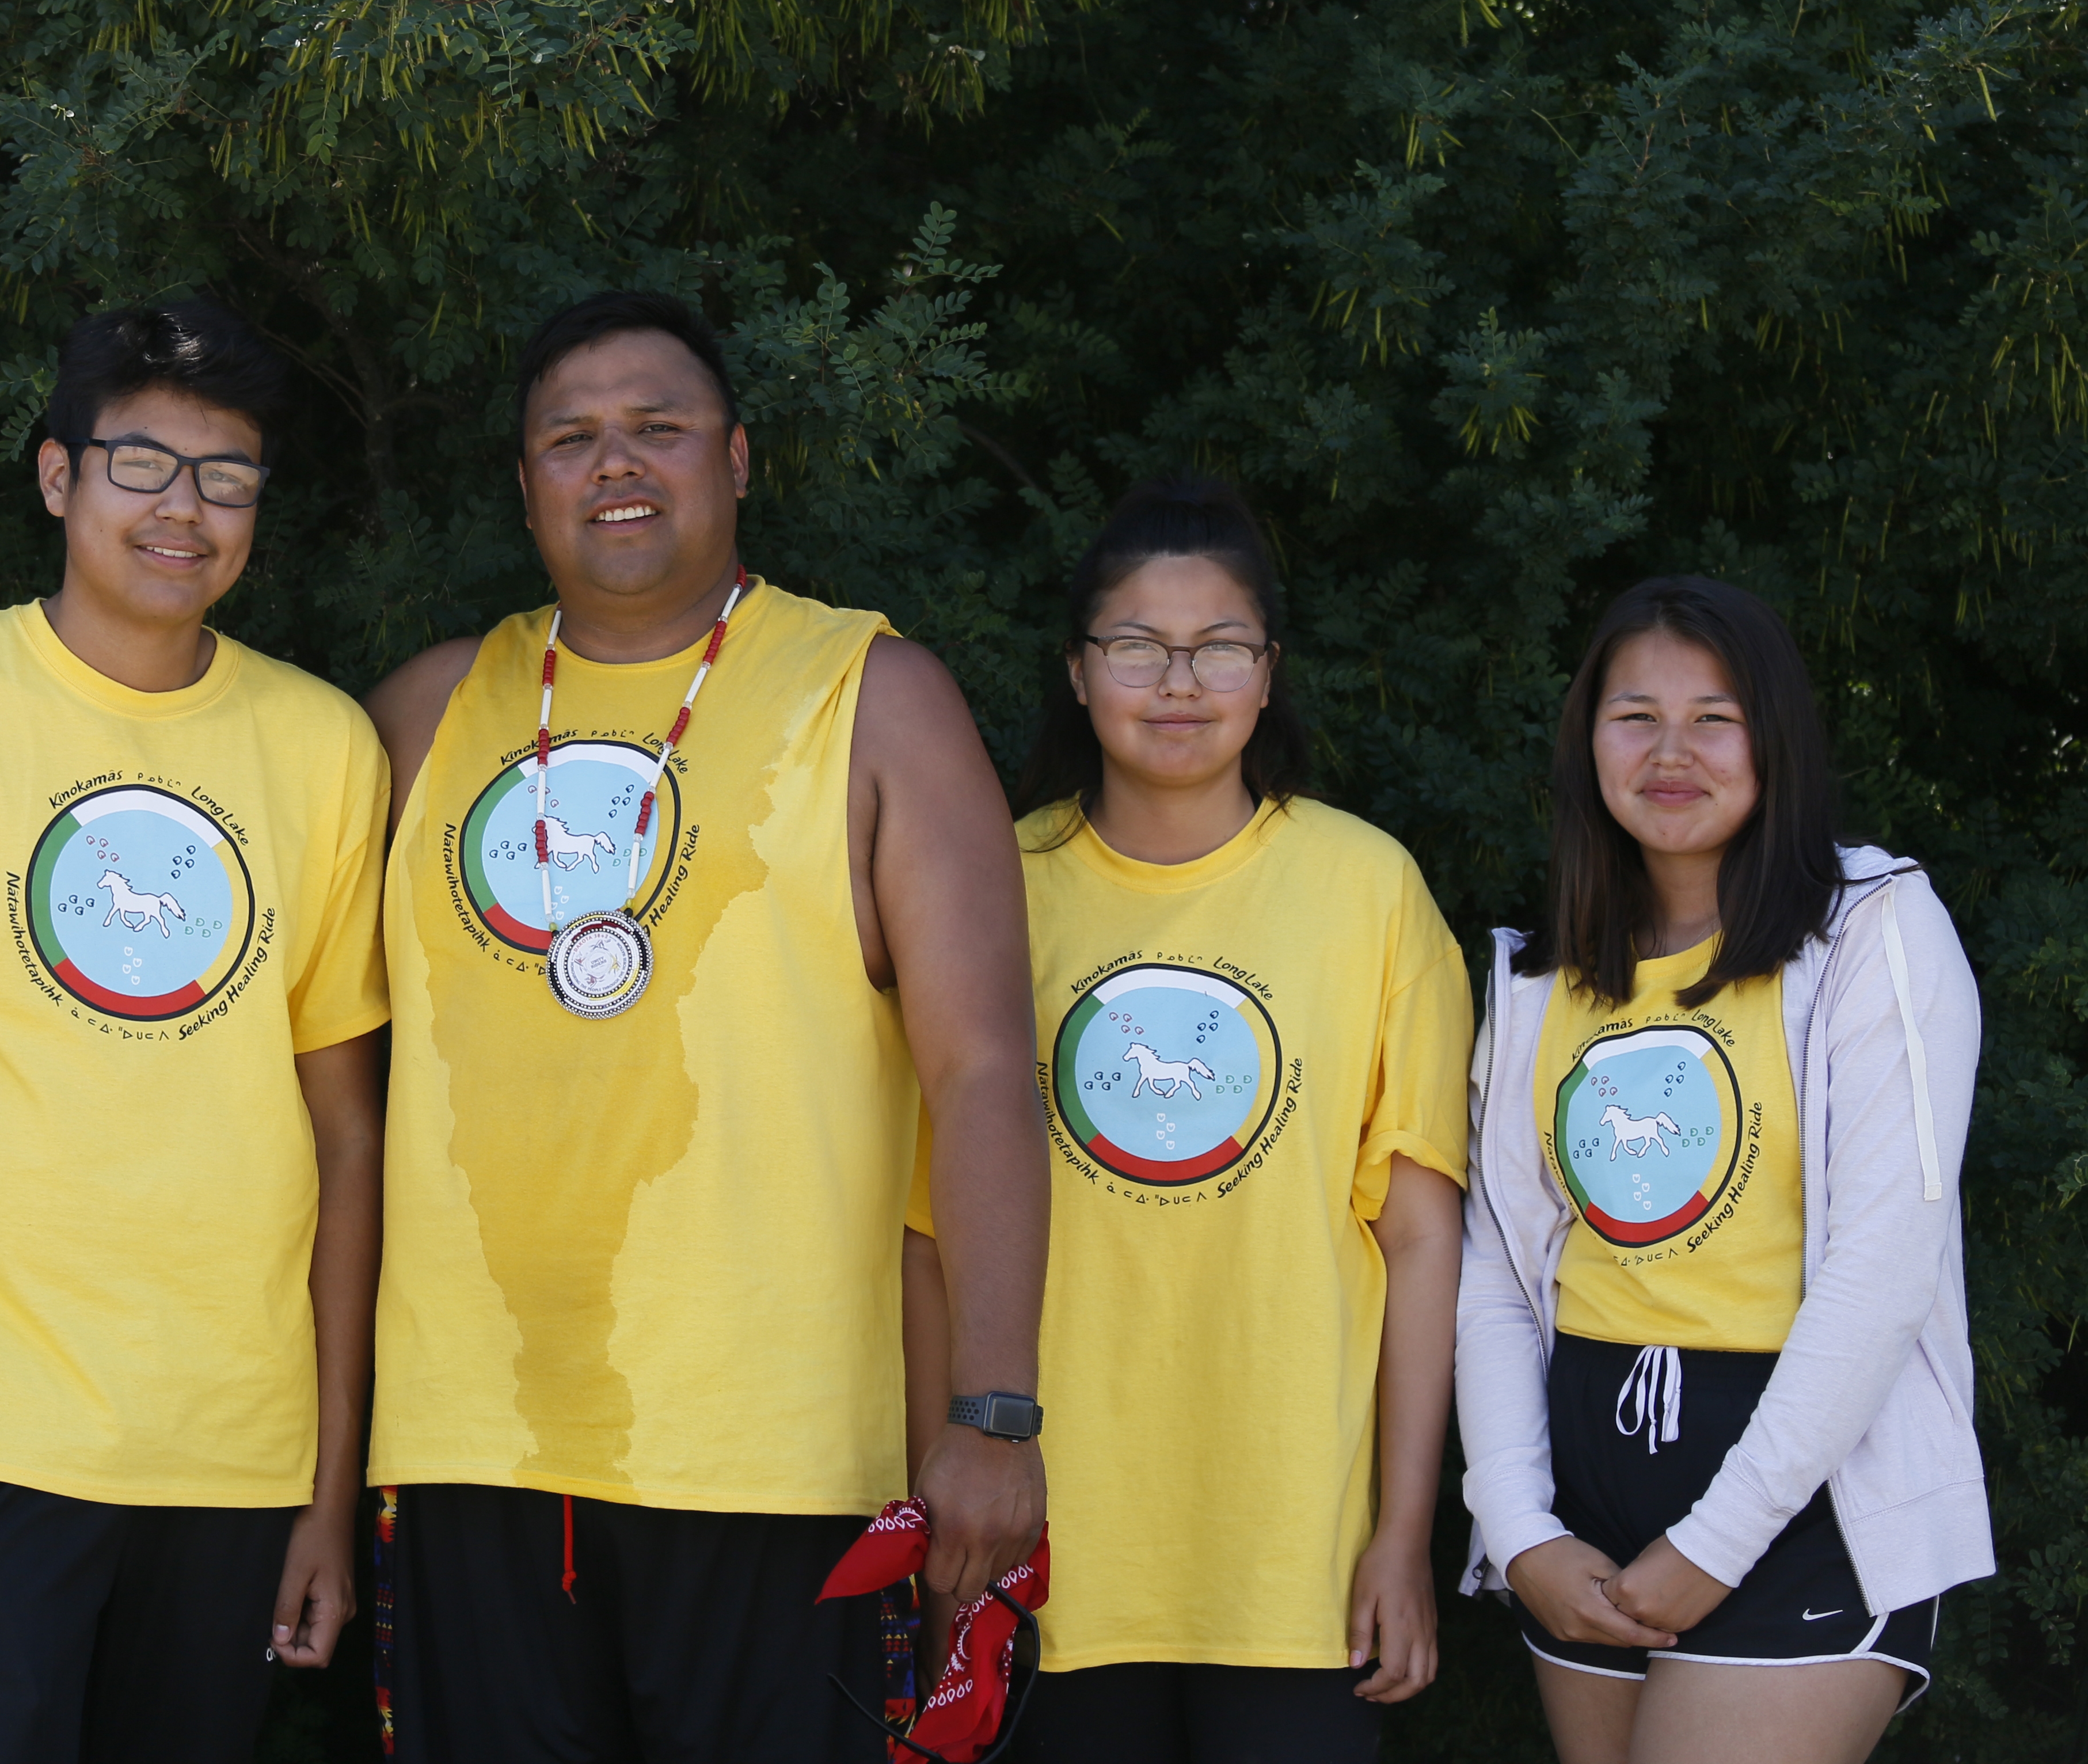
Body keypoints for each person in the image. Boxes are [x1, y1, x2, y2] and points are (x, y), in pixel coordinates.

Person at [360, 290, 1050, 1762]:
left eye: (659, 429)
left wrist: (993, 1412)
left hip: (778, 1462)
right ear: (527, 483)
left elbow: (984, 1064)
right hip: (470, 1447)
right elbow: (313, 1084)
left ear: (737, 460)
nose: (618, 464)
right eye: (574, 438)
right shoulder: (425, 713)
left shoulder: (873, 694)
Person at [0, 298, 390, 1761]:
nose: (187, 511)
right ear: (58, 476)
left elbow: (348, 1140)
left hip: (235, 1450)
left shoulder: (323, 746)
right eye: (144, 465)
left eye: (228, 477)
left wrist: (328, 1492)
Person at [903, 476, 1470, 1762]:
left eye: (1219, 645)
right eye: (1136, 646)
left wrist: (1402, 1532)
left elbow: (1423, 1240)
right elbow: (926, 1236)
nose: (1178, 680)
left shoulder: (1367, 888)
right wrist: (937, 1520)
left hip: (1293, 1565)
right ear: (1077, 672)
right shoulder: (994, 886)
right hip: (1049, 1550)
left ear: (1269, 674)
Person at [1456, 576, 1990, 1764]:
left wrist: (1716, 1543)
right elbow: (1494, 1261)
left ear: (1777, 741)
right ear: (1588, 739)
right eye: (1634, 715)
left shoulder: (1875, 928)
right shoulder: (1536, 979)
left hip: (1804, 1495)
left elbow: (1884, 1269)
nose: (1672, 751)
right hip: (1587, 1493)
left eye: (1717, 717)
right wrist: (1517, 1522)